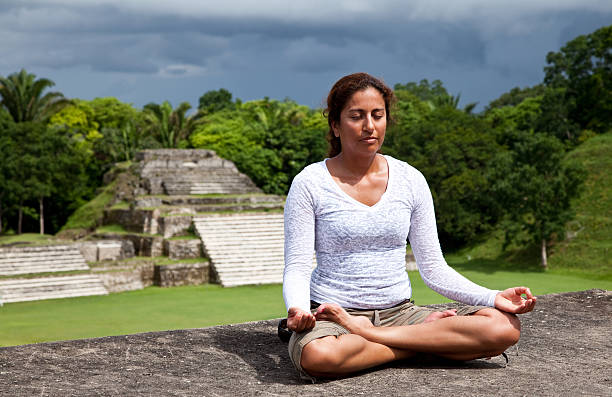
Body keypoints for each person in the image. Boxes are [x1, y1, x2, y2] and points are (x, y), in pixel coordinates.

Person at [282, 72, 537, 380]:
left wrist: (493, 297)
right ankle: (423, 343)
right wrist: (298, 309)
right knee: (318, 355)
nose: (369, 126)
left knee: (503, 327)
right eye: (356, 116)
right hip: (335, 316)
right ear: (335, 125)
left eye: (378, 115)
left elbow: (433, 269)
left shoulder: (410, 180)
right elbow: (297, 266)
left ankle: (376, 338)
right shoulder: (310, 183)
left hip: (400, 313)